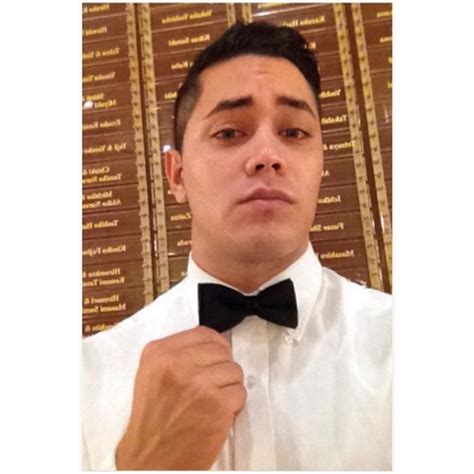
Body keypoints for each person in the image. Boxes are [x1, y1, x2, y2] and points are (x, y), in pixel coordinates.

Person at [82, 21, 391, 470]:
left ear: (320, 163)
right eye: (229, 132)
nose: (268, 155)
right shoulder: (84, 379)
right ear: (177, 175)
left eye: (294, 132)